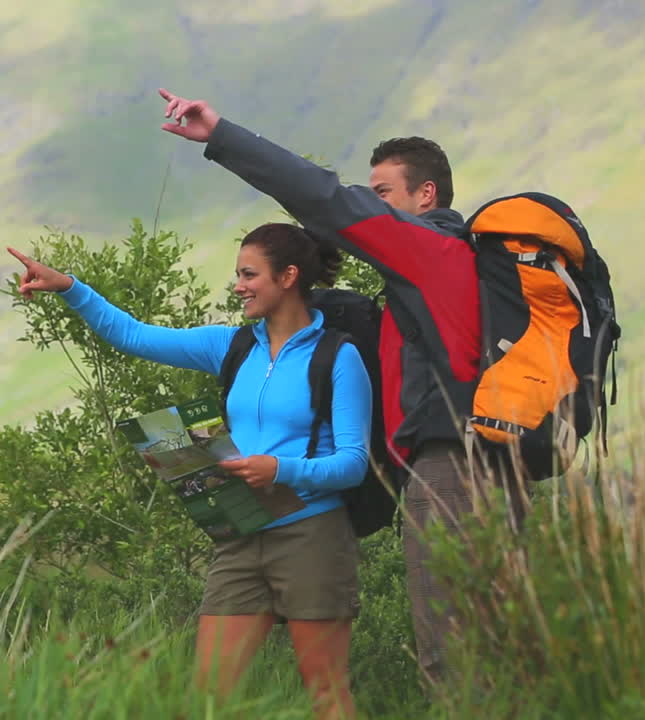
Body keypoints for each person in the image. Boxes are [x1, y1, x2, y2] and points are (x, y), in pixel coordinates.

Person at [156, 88, 527, 685]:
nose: (371, 207)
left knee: (454, 653)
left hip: (455, 465)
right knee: (492, 642)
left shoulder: (431, 251)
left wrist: (220, 134)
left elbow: (325, 198)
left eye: (382, 193)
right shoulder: (451, 267)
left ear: (424, 196)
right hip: (487, 459)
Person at [9, 222, 370, 719]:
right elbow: (133, 335)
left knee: (325, 691)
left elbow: (353, 464)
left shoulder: (339, 357)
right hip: (241, 536)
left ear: (288, 276)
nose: (239, 285)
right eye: (238, 274)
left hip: (312, 535)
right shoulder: (231, 346)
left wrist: (279, 469)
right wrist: (71, 288)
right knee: (207, 697)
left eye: (249, 274)